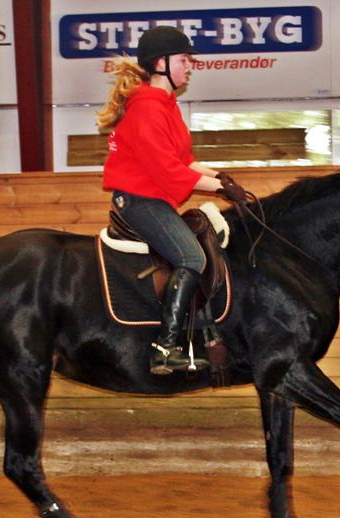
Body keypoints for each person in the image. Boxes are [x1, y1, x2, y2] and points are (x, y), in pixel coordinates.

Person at [97, 25, 248, 375]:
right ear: (160, 63)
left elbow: (184, 161)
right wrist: (219, 189)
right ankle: (164, 348)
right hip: (139, 200)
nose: (189, 66)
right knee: (191, 256)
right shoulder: (147, 109)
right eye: (183, 60)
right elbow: (168, 171)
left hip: (154, 199)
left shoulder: (166, 105)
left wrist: (221, 177)